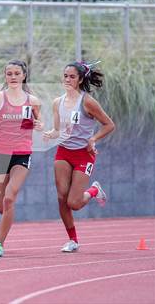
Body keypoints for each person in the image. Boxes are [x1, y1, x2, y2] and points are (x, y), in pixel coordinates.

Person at [43, 61, 115, 253]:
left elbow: (109, 125)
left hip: (84, 154)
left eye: (72, 76)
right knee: (61, 197)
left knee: (73, 203)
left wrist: (93, 139)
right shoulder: (57, 102)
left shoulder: (87, 102)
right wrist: (49, 133)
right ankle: (72, 240)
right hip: (63, 152)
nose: (67, 79)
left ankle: (93, 190)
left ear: (81, 79)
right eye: (65, 76)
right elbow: (58, 130)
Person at [0, 60, 43, 257]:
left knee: (9, 198)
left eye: (16, 73)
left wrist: (39, 126)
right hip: (1, 154)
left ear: (23, 75)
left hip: (22, 154)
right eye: (9, 74)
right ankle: (0, 206)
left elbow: (40, 121)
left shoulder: (33, 100)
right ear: (5, 77)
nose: (13, 77)